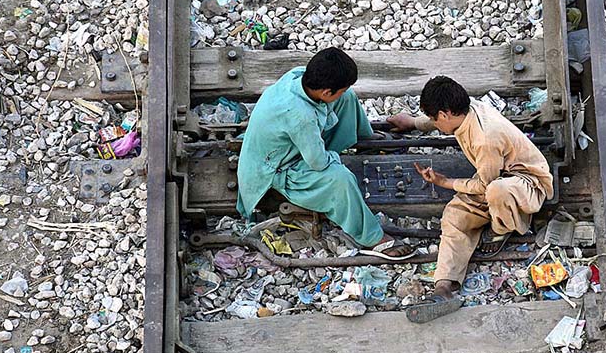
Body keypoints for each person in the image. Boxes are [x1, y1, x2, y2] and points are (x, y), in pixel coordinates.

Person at [388, 76, 554, 322]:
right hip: (495, 177)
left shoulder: (484, 138)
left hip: (525, 184)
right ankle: (444, 288)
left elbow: (485, 185)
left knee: (496, 191)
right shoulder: (465, 110)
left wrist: (444, 182)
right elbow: (436, 123)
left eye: (435, 118)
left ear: (444, 115)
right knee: (454, 216)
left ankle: (501, 229)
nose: (435, 122)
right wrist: (412, 123)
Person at [236, 47, 412, 257]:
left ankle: (365, 139)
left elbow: (333, 100)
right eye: (337, 89)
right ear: (326, 92)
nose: (342, 91)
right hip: (277, 169)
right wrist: (336, 161)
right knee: (341, 180)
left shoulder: (298, 75)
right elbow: (318, 162)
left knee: (346, 98)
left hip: (285, 145)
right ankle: (372, 239)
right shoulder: (300, 116)